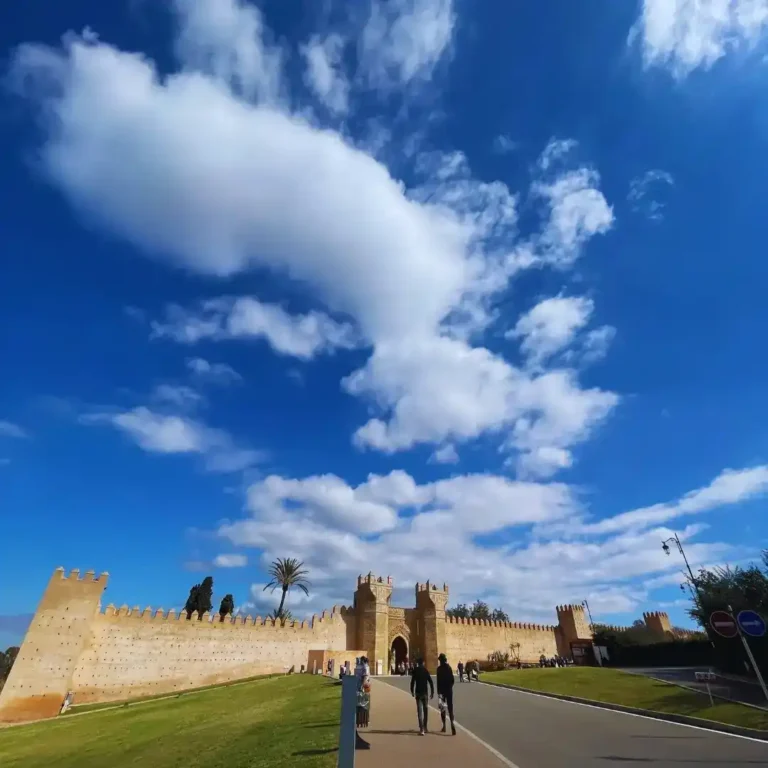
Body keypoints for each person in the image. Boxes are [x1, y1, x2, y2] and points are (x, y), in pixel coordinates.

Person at [410, 657, 434, 735]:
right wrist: (432, 692)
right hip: (425, 693)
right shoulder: (425, 670)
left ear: (418, 663)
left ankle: (421, 729)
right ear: (423, 663)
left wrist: (412, 691)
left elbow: (412, 682)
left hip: (418, 693)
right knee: (426, 710)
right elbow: (430, 682)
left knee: (420, 711)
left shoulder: (416, 671)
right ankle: (425, 727)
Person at [436, 653, 456, 735]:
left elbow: (438, 682)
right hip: (449, 691)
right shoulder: (449, 668)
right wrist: (450, 687)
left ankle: (444, 726)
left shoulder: (439, 669)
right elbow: (452, 680)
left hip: (442, 692)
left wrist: (438, 692)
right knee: (450, 708)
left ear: (440, 660)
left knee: (443, 709)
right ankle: (452, 722)